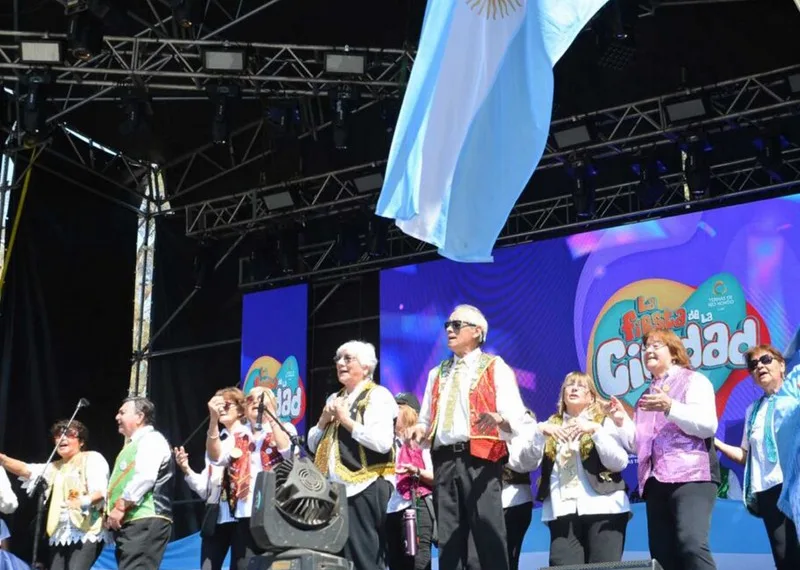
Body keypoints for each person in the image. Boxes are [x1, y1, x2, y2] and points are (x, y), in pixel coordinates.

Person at [405, 304, 526, 570]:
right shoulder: (436, 373)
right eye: (447, 325)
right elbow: (426, 419)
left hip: (481, 457)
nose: (449, 329)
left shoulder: (495, 367)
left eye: (456, 325)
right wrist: (420, 430)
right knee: (449, 537)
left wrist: (499, 419)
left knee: (488, 531)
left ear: (477, 332)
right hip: (445, 459)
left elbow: (516, 416)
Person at [614, 327, 719, 570]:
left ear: (674, 353)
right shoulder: (646, 395)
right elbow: (638, 444)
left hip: (692, 476)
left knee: (691, 545)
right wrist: (621, 421)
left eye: (656, 345)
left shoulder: (694, 380)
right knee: (662, 555)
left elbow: (707, 425)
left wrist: (671, 406)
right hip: (656, 482)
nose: (648, 350)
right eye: (646, 347)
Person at [308, 340, 397, 570]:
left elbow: (382, 442)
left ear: (366, 367)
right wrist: (323, 421)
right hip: (335, 492)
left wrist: (346, 421)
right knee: (337, 560)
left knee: (364, 557)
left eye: (348, 359)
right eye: (338, 359)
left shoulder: (377, 395)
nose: (340, 363)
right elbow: (312, 444)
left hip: (365, 485)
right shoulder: (334, 399)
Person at [530, 372, 630, 566]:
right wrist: (539, 432)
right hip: (563, 511)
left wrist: (595, 432)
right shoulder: (550, 425)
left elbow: (619, 463)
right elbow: (528, 463)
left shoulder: (602, 422)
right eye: (569, 385)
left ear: (591, 396)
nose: (574, 388)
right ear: (563, 394)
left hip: (604, 507)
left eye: (581, 386)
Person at [714, 345, 800, 569]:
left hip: (794, 485)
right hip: (769, 491)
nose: (759, 366)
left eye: (765, 359)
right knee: (785, 557)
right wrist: (716, 443)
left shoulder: (796, 393)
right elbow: (746, 455)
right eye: (753, 365)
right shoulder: (752, 410)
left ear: (782, 365)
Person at [0, 420, 109, 570]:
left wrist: (82, 501)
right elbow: (26, 469)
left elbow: (101, 491)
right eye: (58, 436)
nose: (62, 438)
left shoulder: (92, 458)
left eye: (69, 435)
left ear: (81, 441)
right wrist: (2, 459)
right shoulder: (54, 467)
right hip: (60, 532)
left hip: (86, 529)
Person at [208, 385, 295, 570]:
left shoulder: (284, 427)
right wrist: (213, 421)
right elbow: (216, 458)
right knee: (243, 565)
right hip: (245, 512)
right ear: (245, 408)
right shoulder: (238, 434)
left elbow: (287, 451)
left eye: (262, 398)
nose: (256, 401)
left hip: (275, 510)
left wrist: (272, 417)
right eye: (250, 399)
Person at [175, 386, 247, 570]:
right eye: (217, 405)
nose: (220, 409)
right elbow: (205, 489)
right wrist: (186, 469)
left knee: (240, 566)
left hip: (242, 512)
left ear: (240, 409)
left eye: (226, 404)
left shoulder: (249, 436)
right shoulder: (217, 441)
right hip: (217, 513)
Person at [105, 396, 174, 570]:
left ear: (140, 417)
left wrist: (120, 507)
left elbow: (145, 477)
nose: (116, 417)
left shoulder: (151, 439)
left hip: (146, 517)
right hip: (134, 520)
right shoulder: (133, 444)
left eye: (122, 412)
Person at [386, 392, 435, 570]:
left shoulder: (422, 442)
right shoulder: (386, 442)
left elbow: (438, 477)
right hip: (391, 509)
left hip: (416, 506)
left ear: (411, 413)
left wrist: (416, 471)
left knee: (417, 563)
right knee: (395, 564)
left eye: (399, 408)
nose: (393, 412)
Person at [502, 410, 537, 570]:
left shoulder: (525, 420)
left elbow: (522, 462)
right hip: (487, 502)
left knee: (508, 558)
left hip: (515, 501)